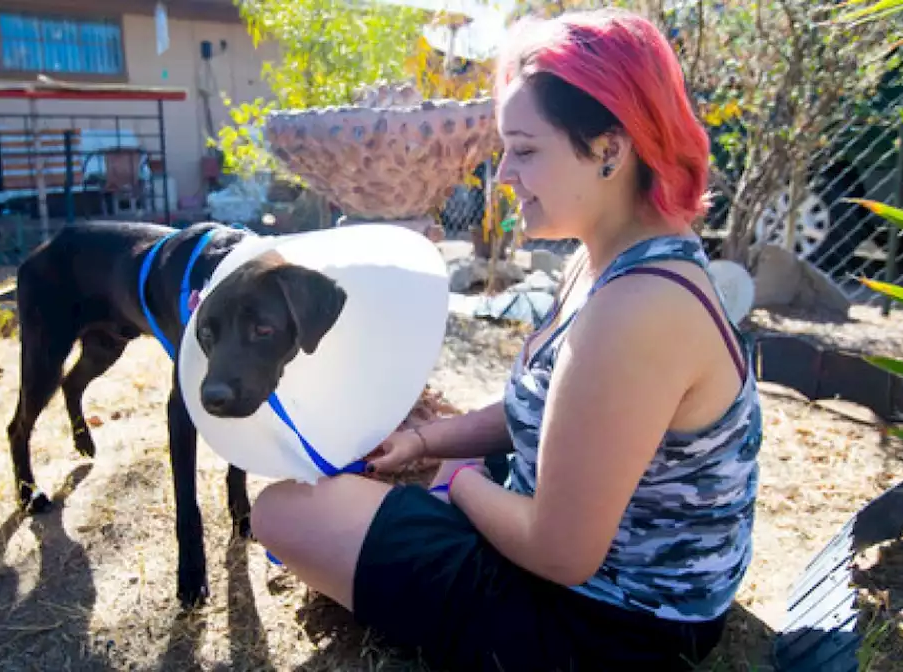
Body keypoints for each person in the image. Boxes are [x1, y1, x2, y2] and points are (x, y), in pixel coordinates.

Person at [249, 8, 763, 671]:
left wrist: (452, 478)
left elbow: (560, 551)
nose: (505, 177)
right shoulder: (615, 257)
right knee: (341, 492)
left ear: (610, 147)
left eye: (525, 150)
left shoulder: (637, 308)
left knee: (284, 512)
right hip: (608, 580)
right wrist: (429, 440)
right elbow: (564, 417)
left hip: (608, 625)